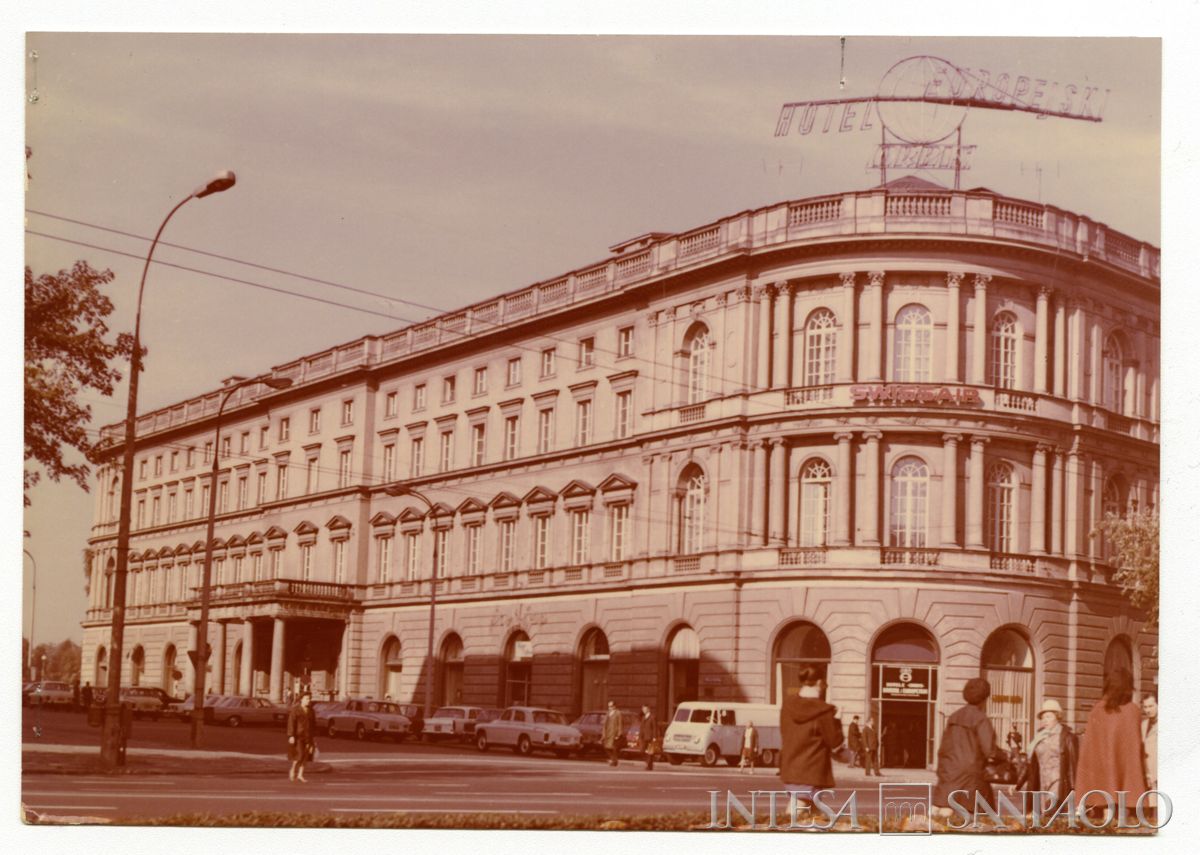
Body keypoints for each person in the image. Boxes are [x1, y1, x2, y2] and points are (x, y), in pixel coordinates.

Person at [1074, 667, 1147, 822]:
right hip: (1126, 782)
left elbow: (1089, 750)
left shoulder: (1098, 710)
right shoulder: (1133, 711)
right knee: (1124, 821)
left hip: (1101, 776)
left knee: (1104, 822)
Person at [933, 678, 1001, 817]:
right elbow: (990, 751)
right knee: (982, 815)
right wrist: (1005, 756)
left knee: (945, 808)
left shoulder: (954, 717)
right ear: (985, 697)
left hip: (949, 769)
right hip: (971, 774)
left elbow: (944, 746)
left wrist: (943, 768)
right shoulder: (981, 718)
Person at [779, 666, 842, 809]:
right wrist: (837, 720)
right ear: (819, 683)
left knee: (812, 812)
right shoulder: (824, 710)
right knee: (798, 809)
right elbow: (834, 742)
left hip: (790, 766)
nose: (825, 686)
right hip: (812, 769)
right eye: (825, 683)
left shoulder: (787, 705)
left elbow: (784, 732)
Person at [1015, 699, 1077, 816]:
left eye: (1048, 716)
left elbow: (1073, 765)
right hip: (1042, 782)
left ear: (1057, 716)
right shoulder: (1039, 737)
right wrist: (1018, 783)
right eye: (1043, 718)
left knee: (1051, 812)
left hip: (1058, 782)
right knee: (1043, 815)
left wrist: (1074, 789)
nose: (1045, 720)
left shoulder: (1068, 737)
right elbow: (1030, 763)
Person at [287, 693, 317, 783]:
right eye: (307, 699)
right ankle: (293, 769)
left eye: (309, 699)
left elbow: (313, 725)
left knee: (305, 756)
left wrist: (313, 738)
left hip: (308, 736)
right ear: (302, 699)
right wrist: (291, 735)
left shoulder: (311, 711)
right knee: (299, 755)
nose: (309, 700)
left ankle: (300, 775)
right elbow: (291, 722)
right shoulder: (295, 710)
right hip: (298, 736)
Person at [1141, 693, 1158, 817]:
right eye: (1145, 707)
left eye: (1151, 706)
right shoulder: (1143, 724)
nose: (1148, 710)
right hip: (1148, 771)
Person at [636, 705, 657, 771]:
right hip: (643, 736)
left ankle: (649, 765)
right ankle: (649, 763)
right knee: (642, 750)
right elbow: (641, 727)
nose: (643, 710)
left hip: (650, 736)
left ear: (648, 709)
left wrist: (654, 737)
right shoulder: (643, 717)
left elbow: (655, 727)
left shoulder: (652, 717)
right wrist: (639, 735)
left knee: (650, 752)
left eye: (645, 709)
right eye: (643, 709)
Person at [602, 701, 623, 767]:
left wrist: (619, 734)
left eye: (611, 706)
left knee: (613, 748)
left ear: (614, 706)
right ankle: (613, 759)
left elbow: (620, 724)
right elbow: (604, 724)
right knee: (606, 747)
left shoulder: (618, 713)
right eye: (608, 706)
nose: (609, 708)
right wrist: (603, 733)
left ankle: (614, 761)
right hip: (607, 732)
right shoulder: (608, 713)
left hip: (614, 732)